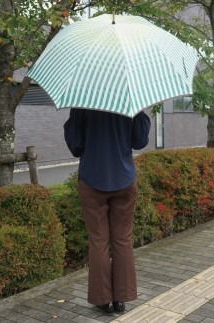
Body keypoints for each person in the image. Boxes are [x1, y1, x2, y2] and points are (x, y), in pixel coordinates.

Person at [63, 108, 151, 314]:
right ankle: (122, 298)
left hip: (92, 178)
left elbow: (75, 146)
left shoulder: (83, 102)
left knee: (98, 240)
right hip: (124, 178)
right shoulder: (130, 99)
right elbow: (140, 141)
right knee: (123, 239)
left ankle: (102, 300)